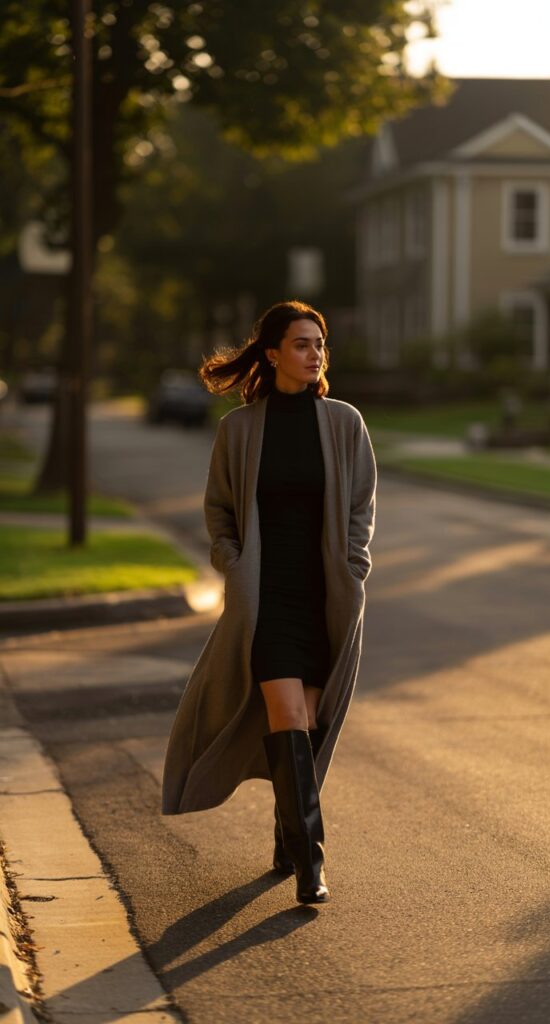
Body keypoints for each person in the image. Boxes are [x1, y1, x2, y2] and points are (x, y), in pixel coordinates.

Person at [161, 299, 377, 905]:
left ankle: (287, 837)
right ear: (274, 352)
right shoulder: (240, 431)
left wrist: (354, 566)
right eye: (303, 344)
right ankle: (311, 864)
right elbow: (219, 512)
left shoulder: (344, 423)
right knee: (285, 714)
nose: (315, 355)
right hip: (267, 598)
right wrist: (233, 566)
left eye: (320, 345)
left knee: (305, 724)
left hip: (323, 596)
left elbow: (360, 508)